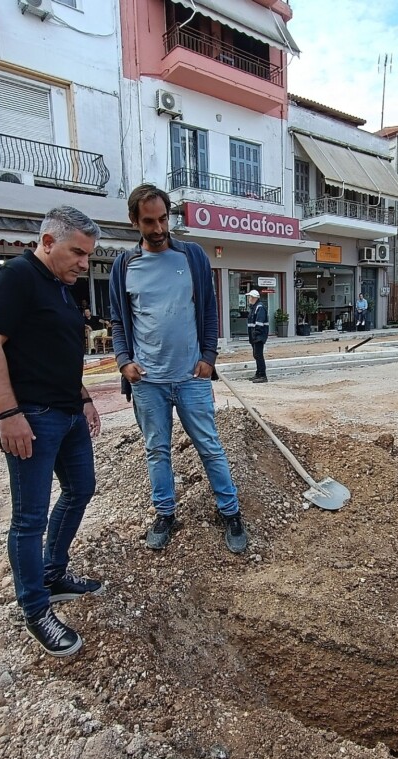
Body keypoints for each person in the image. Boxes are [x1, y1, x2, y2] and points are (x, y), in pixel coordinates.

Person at [0, 205, 104, 658]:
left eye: (88, 255)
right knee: (29, 518)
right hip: (31, 417)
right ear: (48, 241)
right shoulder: (14, 278)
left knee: (81, 488)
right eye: (77, 253)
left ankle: (53, 573)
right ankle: (35, 608)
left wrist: (83, 396)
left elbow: (59, 351)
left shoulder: (60, 286)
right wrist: (7, 414)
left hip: (67, 413)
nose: (84, 264)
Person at [109, 183, 248, 555]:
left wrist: (208, 358)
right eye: (149, 222)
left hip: (191, 377)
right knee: (157, 450)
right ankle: (165, 514)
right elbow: (119, 322)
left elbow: (209, 310)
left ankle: (230, 512)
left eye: (163, 219)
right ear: (134, 221)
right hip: (148, 381)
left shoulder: (193, 257)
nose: (158, 229)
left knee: (210, 446)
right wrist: (124, 363)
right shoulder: (124, 265)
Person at [245, 289, 269, 383]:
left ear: (254, 298)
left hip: (258, 336)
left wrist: (256, 334)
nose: (249, 299)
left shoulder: (259, 307)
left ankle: (262, 375)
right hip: (254, 336)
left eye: (250, 297)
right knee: (256, 355)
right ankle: (258, 373)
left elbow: (259, 322)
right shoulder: (255, 307)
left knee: (258, 355)